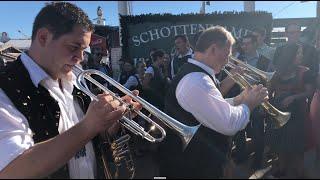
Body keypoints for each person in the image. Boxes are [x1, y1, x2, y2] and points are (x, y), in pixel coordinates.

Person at [0, 2, 140, 179]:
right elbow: (12, 170)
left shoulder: (75, 81)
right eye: (74, 47)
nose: (81, 58)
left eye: (83, 50)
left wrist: (109, 123)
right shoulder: (5, 88)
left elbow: (85, 142)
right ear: (43, 37)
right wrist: (89, 126)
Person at [158, 26, 269, 178]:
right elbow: (229, 124)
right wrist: (249, 104)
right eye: (227, 54)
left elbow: (210, 107)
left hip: (196, 162)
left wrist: (238, 99)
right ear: (214, 49)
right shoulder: (197, 80)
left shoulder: (196, 74)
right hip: (193, 167)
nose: (228, 60)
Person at [267, 43, 314, 178]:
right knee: (280, 144)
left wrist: (294, 97)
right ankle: (282, 169)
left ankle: (298, 173)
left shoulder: (305, 72)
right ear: (290, 55)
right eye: (298, 53)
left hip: (297, 115)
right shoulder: (277, 73)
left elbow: (310, 93)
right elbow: (270, 92)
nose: (301, 55)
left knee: (297, 147)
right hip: (278, 113)